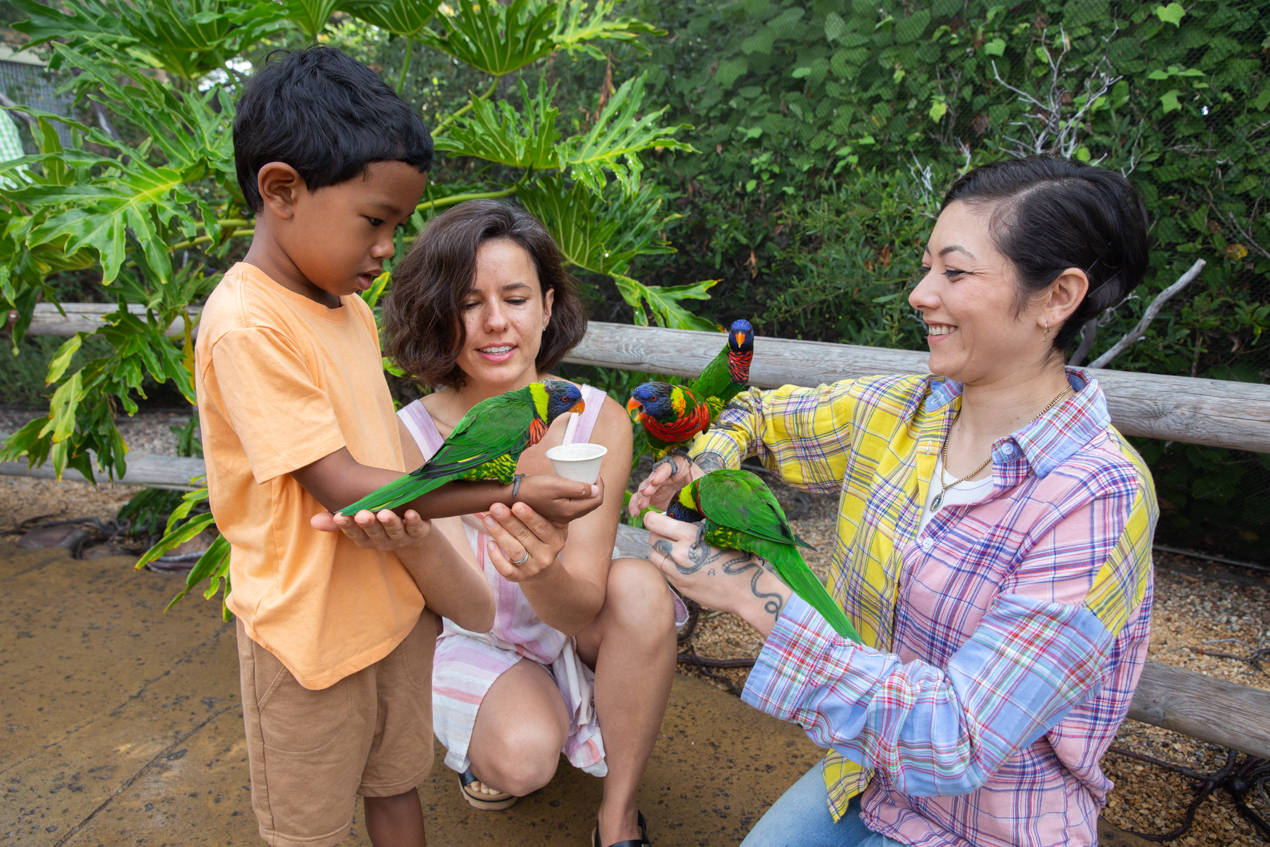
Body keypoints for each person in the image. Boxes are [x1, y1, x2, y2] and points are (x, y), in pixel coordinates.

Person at [632, 155, 1157, 847]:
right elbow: (754, 415)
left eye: (955, 271)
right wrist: (701, 465)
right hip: (865, 773)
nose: (919, 292)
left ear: (1057, 296)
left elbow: (962, 739)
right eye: (926, 266)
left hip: (992, 822)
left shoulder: (1099, 496)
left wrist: (752, 592)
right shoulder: (898, 410)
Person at [198, 47, 600, 847]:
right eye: (374, 220)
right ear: (282, 190)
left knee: (397, 779)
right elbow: (347, 486)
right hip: (306, 636)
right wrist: (508, 494)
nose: (388, 245)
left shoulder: (343, 309)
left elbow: (390, 463)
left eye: (398, 223)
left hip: (391, 608)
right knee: (308, 824)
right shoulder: (248, 326)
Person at [374, 199, 680, 847]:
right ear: (439, 312)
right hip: (479, 632)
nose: (495, 323)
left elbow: (580, 605)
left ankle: (617, 815)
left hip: (570, 620)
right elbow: (473, 607)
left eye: (515, 298)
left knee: (643, 588)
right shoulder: (412, 435)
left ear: (546, 306)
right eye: (467, 302)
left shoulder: (599, 422)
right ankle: (500, 730)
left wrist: (539, 563)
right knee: (523, 759)